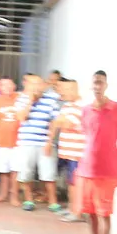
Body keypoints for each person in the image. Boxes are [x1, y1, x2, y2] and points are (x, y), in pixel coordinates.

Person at [73, 70, 117, 234]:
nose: (97, 86)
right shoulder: (85, 110)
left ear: (106, 85)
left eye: (101, 82)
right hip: (87, 169)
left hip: (107, 171)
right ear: (91, 85)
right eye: (95, 82)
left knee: (104, 214)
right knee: (91, 213)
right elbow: (87, 138)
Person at [14, 73, 61, 212]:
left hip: (45, 142)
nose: (36, 87)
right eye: (33, 84)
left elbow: (54, 122)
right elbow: (21, 117)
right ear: (27, 85)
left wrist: (49, 141)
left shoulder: (52, 99)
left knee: (49, 174)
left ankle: (53, 202)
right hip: (26, 142)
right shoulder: (21, 99)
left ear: (43, 85)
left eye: (39, 84)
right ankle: (28, 200)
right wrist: (30, 101)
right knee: (26, 173)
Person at [47, 78, 86, 222]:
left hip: (77, 153)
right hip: (68, 151)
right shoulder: (67, 105)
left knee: (76, 183)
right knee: (71, 182)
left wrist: (58, 121)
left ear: (73, 90)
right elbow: (59, 121)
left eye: (63, 90)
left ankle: (77, 212)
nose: (61, 93)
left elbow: (66, 123)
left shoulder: (81, 107)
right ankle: (71, 208)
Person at [0, 77, 21, 205]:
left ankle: (14, 196)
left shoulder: (20, 98)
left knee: (15, 170)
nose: (7, 87)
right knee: (3, 171)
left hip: (17, 141)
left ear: (14, 85)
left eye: (9, 84)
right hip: (0, 140)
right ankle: (2, 194)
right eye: (3, 85)